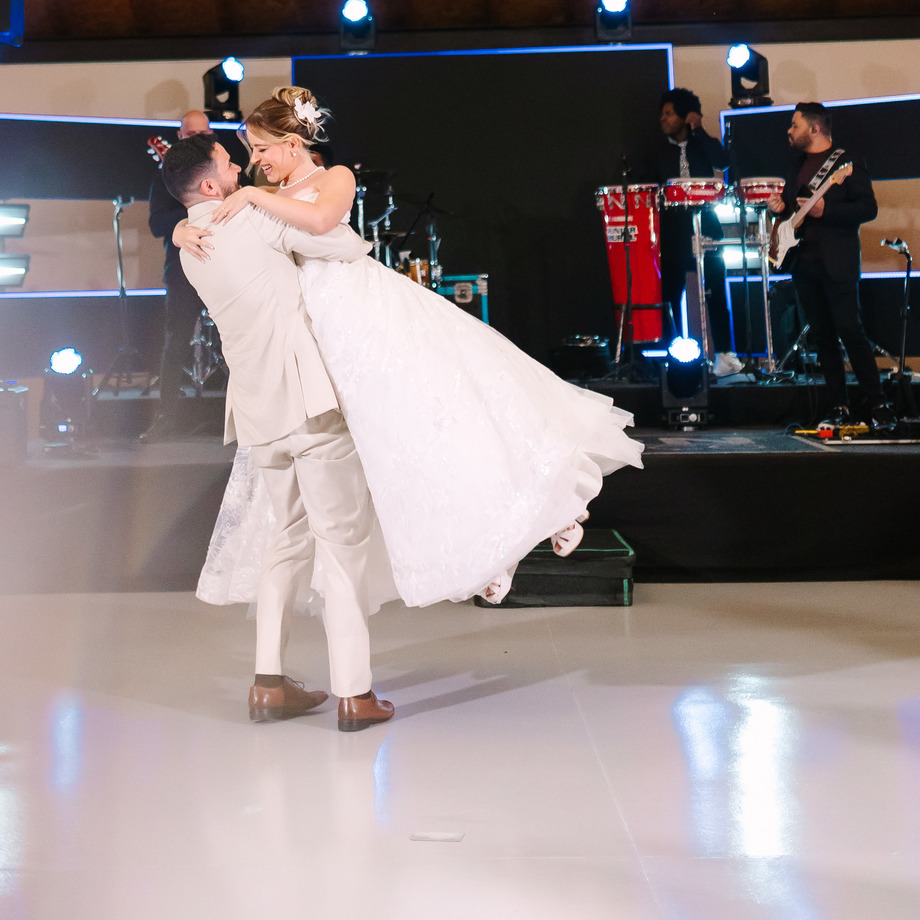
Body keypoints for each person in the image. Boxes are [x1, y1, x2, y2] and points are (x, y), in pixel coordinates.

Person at [176, 86, 643, 619]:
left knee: (442, 419)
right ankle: (486, 553)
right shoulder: (261, 191)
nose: (254, 162)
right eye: (251, 154)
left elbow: (323, 222)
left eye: (261, 149)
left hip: (365, 314)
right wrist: (180, 228)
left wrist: (254, 196)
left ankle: (549, 508)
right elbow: (226, 224)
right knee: (394, 453)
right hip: (316, 332)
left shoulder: (334, 177)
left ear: (290, 142)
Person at [161, 129, 394, 733]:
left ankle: (268, 684)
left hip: (258, 419)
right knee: (342, 544)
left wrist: (182, 224)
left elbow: (202, 229)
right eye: (229, 162)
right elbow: (344, 244)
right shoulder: (252, 220)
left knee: (286, 540)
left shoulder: (189, 247)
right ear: (212, 184)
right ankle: (355, 693)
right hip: (309, 408)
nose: (243, 165)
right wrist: (267, 201)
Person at [767, 102, 886, 427]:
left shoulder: (845, 163)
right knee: (822, 338)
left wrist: (826, 213)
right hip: (804, 263)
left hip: (838, 262)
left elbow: (868, 208)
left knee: (850, 331)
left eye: (795, 125)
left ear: (815, 128)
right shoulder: (797, 166)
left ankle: (877, 405)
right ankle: (839, 406)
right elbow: (795, 213)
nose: (789, 131)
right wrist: (780, 210)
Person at [143, 109, 212, 442]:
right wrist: (190, 211)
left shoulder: (221, 172)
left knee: (238, 340)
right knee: (175, 343)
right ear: (180, 137)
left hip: (221, 266)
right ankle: (166, 418)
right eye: (191, 135)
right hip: (183, 269)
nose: (198, 141)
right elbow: (157, 225)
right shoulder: (165, 177)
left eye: (204, 135)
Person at [654, 89, 731, 350]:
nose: (663, 119)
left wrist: (698, 130)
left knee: (717, 293)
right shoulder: (657, 152)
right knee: (670, 295)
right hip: (672, 232)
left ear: (686, 116)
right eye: (661, 114)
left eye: (669, 113)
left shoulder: (704, 144)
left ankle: (724, 353)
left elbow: (723, 162)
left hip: (706, 227)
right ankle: (672, 353)